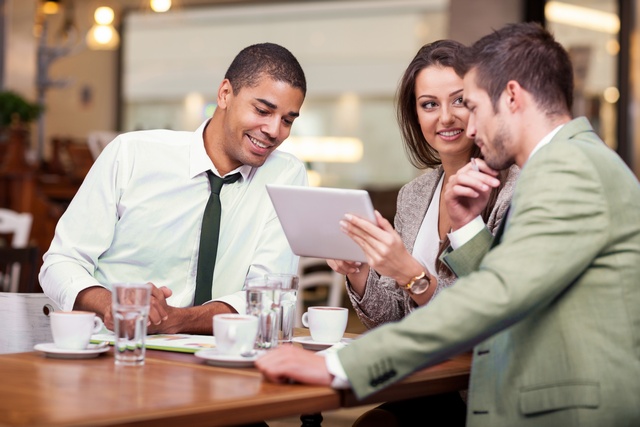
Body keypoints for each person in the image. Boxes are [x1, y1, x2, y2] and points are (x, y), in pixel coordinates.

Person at [256, 22, 640, 427]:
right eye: (430, 105)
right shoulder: (574, 160)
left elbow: (495, 296)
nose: (467, 127)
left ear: (511, 97)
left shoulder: (566, 168)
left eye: (470, 106)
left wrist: (342, 365)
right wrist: (466, 226)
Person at [40, 43, 308, 335]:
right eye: (262, 110)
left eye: (287, 120)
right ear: (225, 94)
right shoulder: (131, 154)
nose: (274, 130)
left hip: (221, 359)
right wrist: (111, 304)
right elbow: (61, 261)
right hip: (116, 349)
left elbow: (270, 294)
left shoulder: (285, 175)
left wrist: (177, 319)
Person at [328, 40, 518, 427]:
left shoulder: (512, 189)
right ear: (415, 115)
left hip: (478, 391)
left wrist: (414, 277)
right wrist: (360, 272)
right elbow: (395, 321)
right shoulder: (414, 195)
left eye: (459, 101)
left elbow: (490, 317)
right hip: (421, 384)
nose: (445, 117)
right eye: (429, 104)